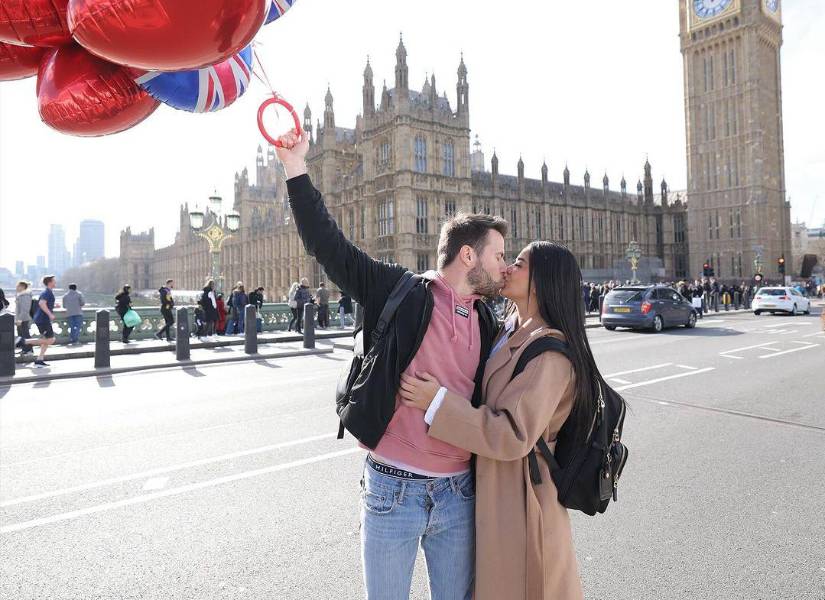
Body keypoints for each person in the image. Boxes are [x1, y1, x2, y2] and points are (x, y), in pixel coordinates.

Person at [275, 127, 508, 600]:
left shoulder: (488, 320)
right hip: (392, 491)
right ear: (468, 255)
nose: (506, 265)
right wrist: (294, 167)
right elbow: (329, 247)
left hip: (459, 493)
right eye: (500, 255)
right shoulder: (402, 291)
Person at [401, 242, 596, 599]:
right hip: (494, 489)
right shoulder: (508, 327)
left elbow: (512, 434)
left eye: (518, 264)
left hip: (521, 499)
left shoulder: (550, 353)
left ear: (539, 282)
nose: (506, 268)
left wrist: (438, 404)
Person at [16, 275, 58, 367]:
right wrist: (50, 314)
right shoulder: (47, 292)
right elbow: (41, 303)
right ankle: (24, 341)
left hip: (42, 319)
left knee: (45, 340)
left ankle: (39, 360)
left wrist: (53, 307)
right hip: (43, 320)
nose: (56, 282)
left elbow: (44, 303)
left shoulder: (48, 292)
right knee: (51, 340)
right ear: (50, 282)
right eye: (54, 281)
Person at [14, 281, 33, 353]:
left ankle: (29, 350)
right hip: (21, 319)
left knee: (25, 335)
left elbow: (25, 309)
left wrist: (20, 320)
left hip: (24, 319)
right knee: (21, 335)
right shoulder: (20, 295)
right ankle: (24, 349)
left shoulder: (25, 296)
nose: (16, 287)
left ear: (22, 287)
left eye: (18, 286)